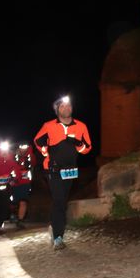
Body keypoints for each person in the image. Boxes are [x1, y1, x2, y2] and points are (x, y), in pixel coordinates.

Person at [34, 96, 92, 250]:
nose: (66, 108)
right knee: (59, 199)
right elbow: (38, 141)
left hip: (70, 170)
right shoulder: (48, 126)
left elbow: (87, 148)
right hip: (53, 169)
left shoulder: (81, 126)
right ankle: (58, 237)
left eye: (69, 106)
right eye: (62, 106)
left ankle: (54, 227)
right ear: (57, 110)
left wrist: (78, 143)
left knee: (62, 201)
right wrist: (48, 153)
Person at [0, 142, 19, 237]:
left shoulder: (11, 162)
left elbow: (17, 173)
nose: (4, 153)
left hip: (7, 188)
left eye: (5, 151)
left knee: (4, 207)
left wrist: (14, 180)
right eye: (2, 151)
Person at [11, 143, 34, 228]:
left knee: (23, 202)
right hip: (14, 183)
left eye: (26, 147)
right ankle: (13, 214)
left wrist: (30, 153)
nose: (24, 149)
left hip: (25, 183)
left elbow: (33, 163)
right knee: (14, 202)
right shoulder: (13, 156)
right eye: (22, 147)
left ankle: (20, 220)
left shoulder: (30, 156)